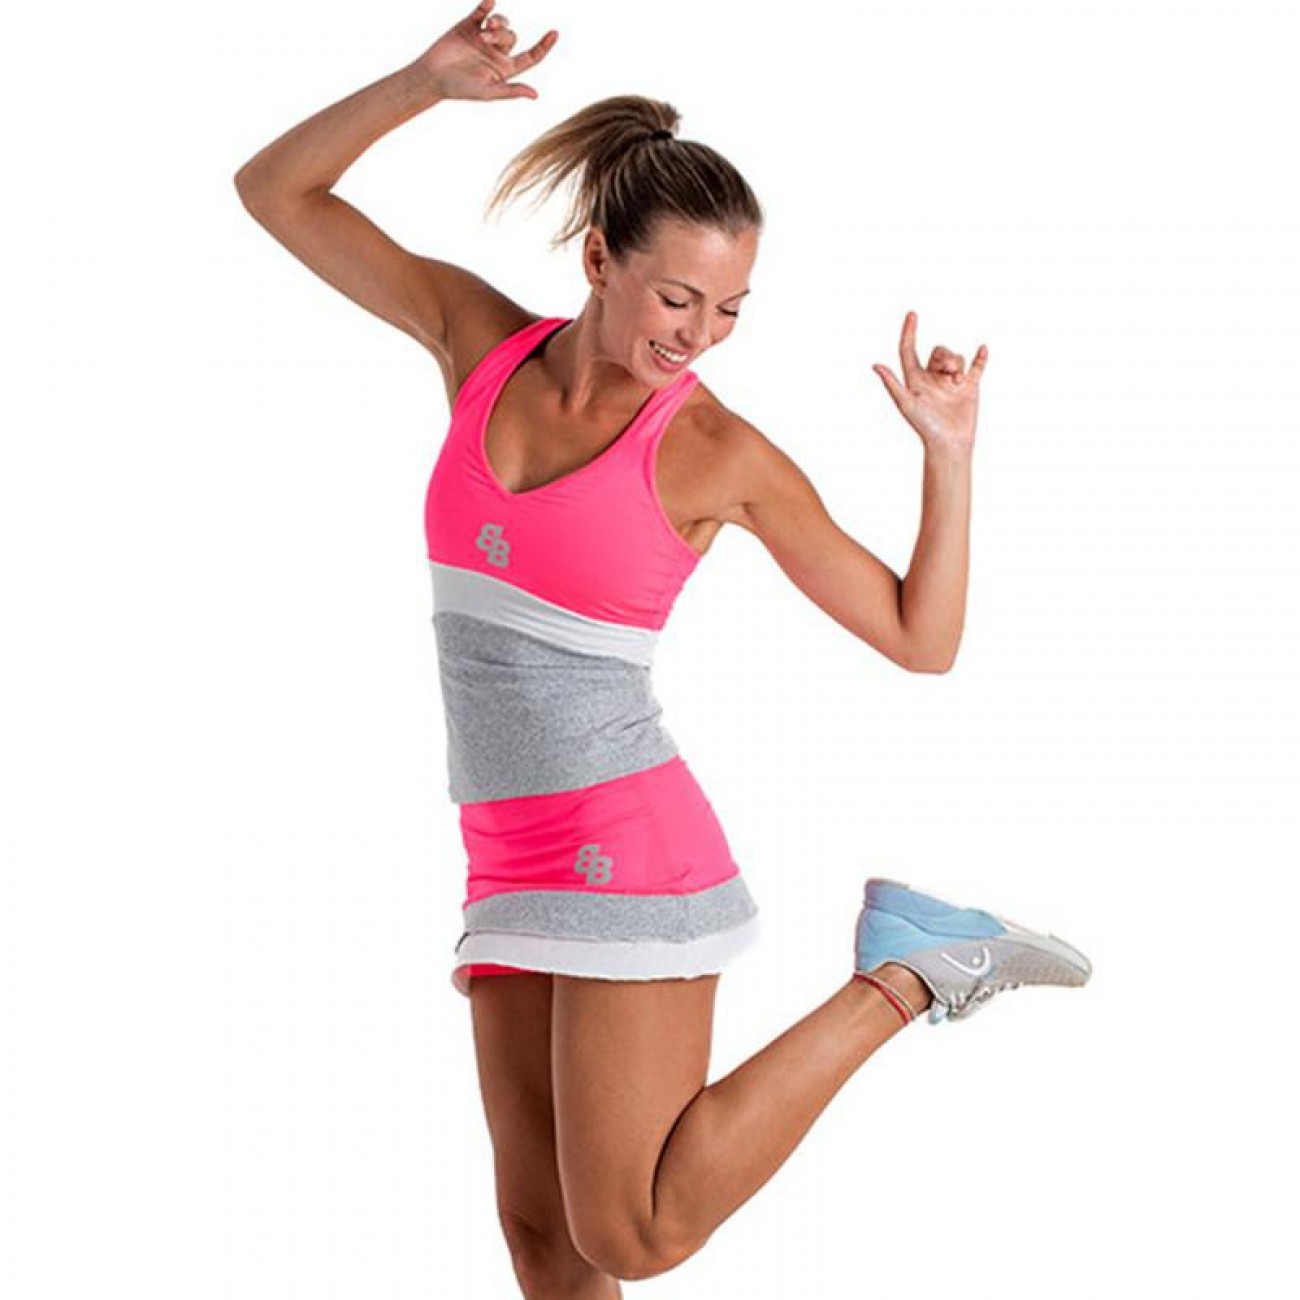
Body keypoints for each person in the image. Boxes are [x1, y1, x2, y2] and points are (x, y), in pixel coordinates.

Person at [234, 2, 1092, 1293]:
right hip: (503, 848)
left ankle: (910, 972)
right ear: (598, 259)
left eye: (730, 308)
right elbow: (276, 192)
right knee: (545, 1243)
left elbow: (922, 639)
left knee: (633, 1234)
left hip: (624, 846)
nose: (696, 334)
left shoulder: (712, 451)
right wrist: (421, 82)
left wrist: (950, 456)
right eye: (677, 296)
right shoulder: (479, 346)